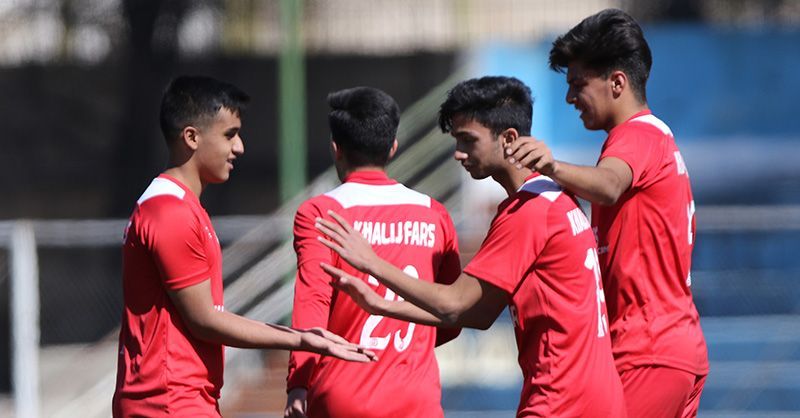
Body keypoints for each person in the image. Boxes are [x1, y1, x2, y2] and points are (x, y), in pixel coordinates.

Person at [316, 76, 626, 418]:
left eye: (468, 140)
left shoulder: (528, 211)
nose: (458, 153)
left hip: (562, 402)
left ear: (509, 139)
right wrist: (381, 306)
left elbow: (455, 304)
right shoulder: (556, 196)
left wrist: (372, 263)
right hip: (600, 400)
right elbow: (477, 314)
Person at [112, 75, 376, 418]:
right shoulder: (170, 212)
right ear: (191, 137)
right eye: (229, 135)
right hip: (167, 403)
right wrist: (300, 338)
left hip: (181, 399)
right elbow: (204, 320)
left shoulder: (181, 206)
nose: (239, 147)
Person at [504, 9, 709, 418]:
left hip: (646, 350)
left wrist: (552, 166)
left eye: (578, 84)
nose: (569, 98)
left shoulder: (636, 135)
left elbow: (610, 184)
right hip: (672, 348)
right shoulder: (655, 139)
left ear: (617, 83)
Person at [284, 86, 462, 418]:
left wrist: (298, 384)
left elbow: (312, 304)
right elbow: (453, 315)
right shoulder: (434, 213)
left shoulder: (320, 212)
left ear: (336, 149)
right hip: (417, 401)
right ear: (393, 147)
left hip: (342, 401)